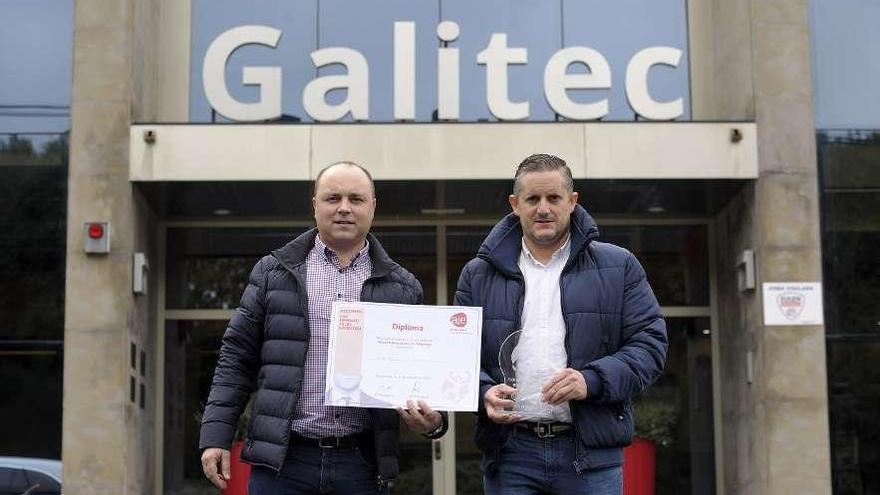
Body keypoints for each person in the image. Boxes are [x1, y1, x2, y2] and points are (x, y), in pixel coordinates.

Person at [199, 161, 447, 494]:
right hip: (282, 463)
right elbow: (236, 359)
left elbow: (422, 370)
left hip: (361, 465)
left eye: (356, 199)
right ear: (315, 206)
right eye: (333, 198)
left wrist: (435, 422)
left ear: (373, 206)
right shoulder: (274, 273)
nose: (344, 208)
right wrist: (216, 436)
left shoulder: (402, 287)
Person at [454, 154, 668, 494]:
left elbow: (650, 346)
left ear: (572, 201)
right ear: (515, 204)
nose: (543, 208)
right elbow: (458, 355)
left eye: (553, 198)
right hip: (511, 454)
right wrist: (482, 393)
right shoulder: (477, 274)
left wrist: (592, 380)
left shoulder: (620, 265)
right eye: (532, 199)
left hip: (590, 457)